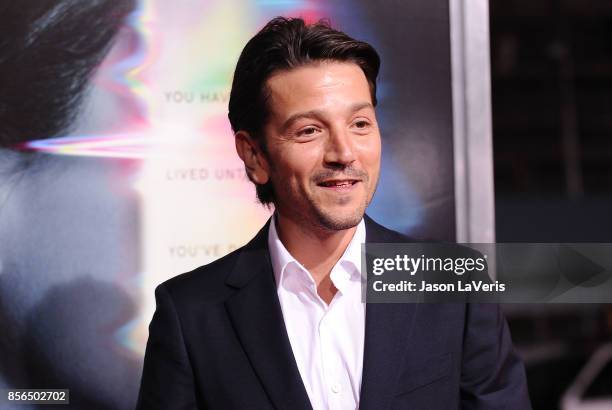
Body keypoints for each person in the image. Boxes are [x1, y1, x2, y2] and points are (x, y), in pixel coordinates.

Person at [136, 17, 531, 409]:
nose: (343, 153)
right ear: (254, 155)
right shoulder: (192, 315)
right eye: (309, 130)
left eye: (360, 124)